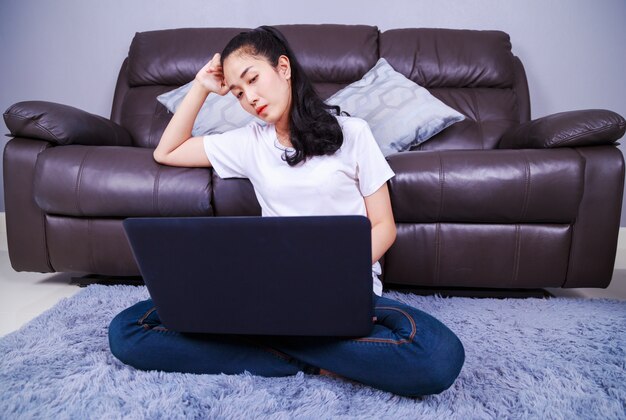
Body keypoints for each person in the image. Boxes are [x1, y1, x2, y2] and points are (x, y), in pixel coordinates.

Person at [108, 26, 465, 397]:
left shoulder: (353, 133)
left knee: (438, 355)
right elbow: (167, 151)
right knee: (128, 330)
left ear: (283, 67)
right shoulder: (249, 142)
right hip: (269, 291)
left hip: (341, 290)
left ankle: (266, 353)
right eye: (238, 93)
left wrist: (332, 276)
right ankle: (315, 361)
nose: (250, 98)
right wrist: (200, 86)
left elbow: (383, 226)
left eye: (253, 79)